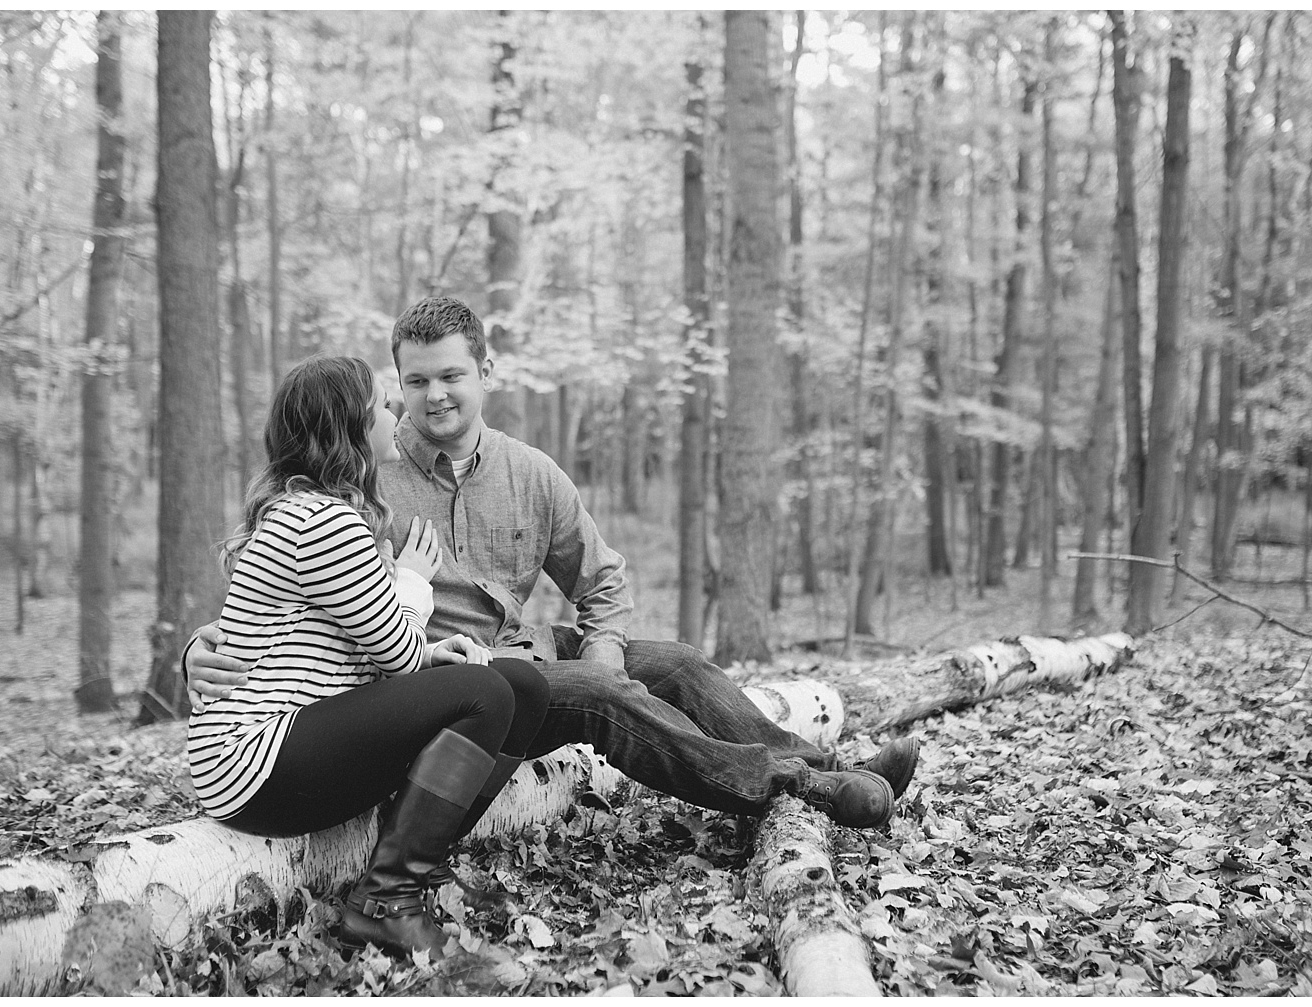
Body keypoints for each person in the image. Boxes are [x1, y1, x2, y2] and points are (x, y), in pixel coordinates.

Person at [187, 297, 919, 845]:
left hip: (533, 650)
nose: (433, 395)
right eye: (414, 382)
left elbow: (601, 582)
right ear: (396, 387)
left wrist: (605, 655)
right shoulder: (367, 475)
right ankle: (805, 788)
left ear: (485, 371)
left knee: (682, 664)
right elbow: (276, 593)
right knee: (603, 691)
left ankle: (827, 764)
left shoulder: (531, 474)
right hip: (457, 692)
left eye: (450, 375)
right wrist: (198, 649)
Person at [187, 355, 549, 961]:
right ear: (350, 428)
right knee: (486, 693)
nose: (396, 413)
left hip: (296, 741)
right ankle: (387, 901)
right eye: (382, 405)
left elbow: (368, 654)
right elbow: (397, 660)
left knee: (521, 685)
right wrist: (411, 580)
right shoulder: (321, 520)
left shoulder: (320, 512)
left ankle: (419, 862)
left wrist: (437, 653)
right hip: (255, 764)